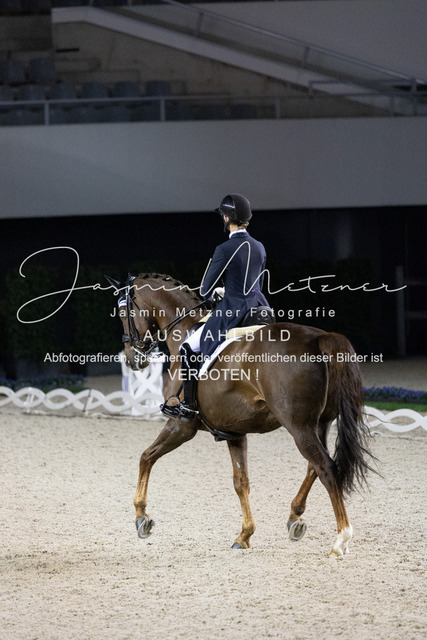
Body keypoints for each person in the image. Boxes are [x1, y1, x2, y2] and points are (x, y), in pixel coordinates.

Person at [161, 193, 270, 421]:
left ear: (227, 218)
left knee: (187, 347)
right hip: (260, 309)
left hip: (233, 310)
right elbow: (258, 286)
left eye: (223, 216)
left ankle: (189, 406)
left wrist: (220, 292)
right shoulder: (260, 247)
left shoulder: (225, 249)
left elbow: (205, 288)